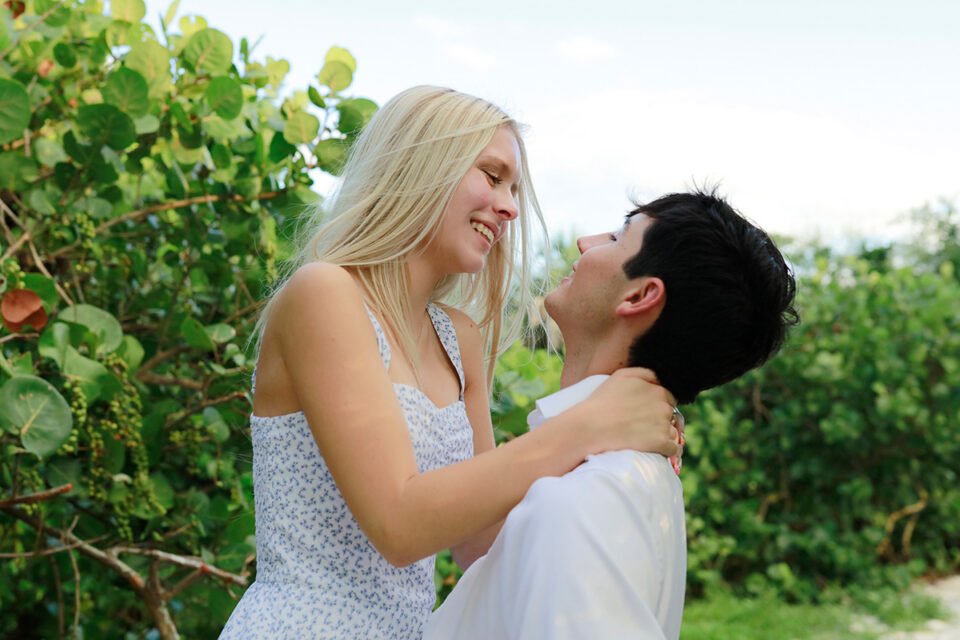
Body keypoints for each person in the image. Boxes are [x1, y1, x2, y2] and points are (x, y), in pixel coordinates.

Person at [217, 86, 682, 640]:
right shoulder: (324, 294)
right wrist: (588, 425)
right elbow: (399, 524)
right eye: (492, 175)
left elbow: (480, 543)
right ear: (422, 165)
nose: (510, 207)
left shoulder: (459, 339)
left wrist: (618, 443)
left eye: (513, 189)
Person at [424, 190, 799, 640]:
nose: (585, 242)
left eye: (618, 236)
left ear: (639, 295)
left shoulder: (581, 503)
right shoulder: (623, 473)